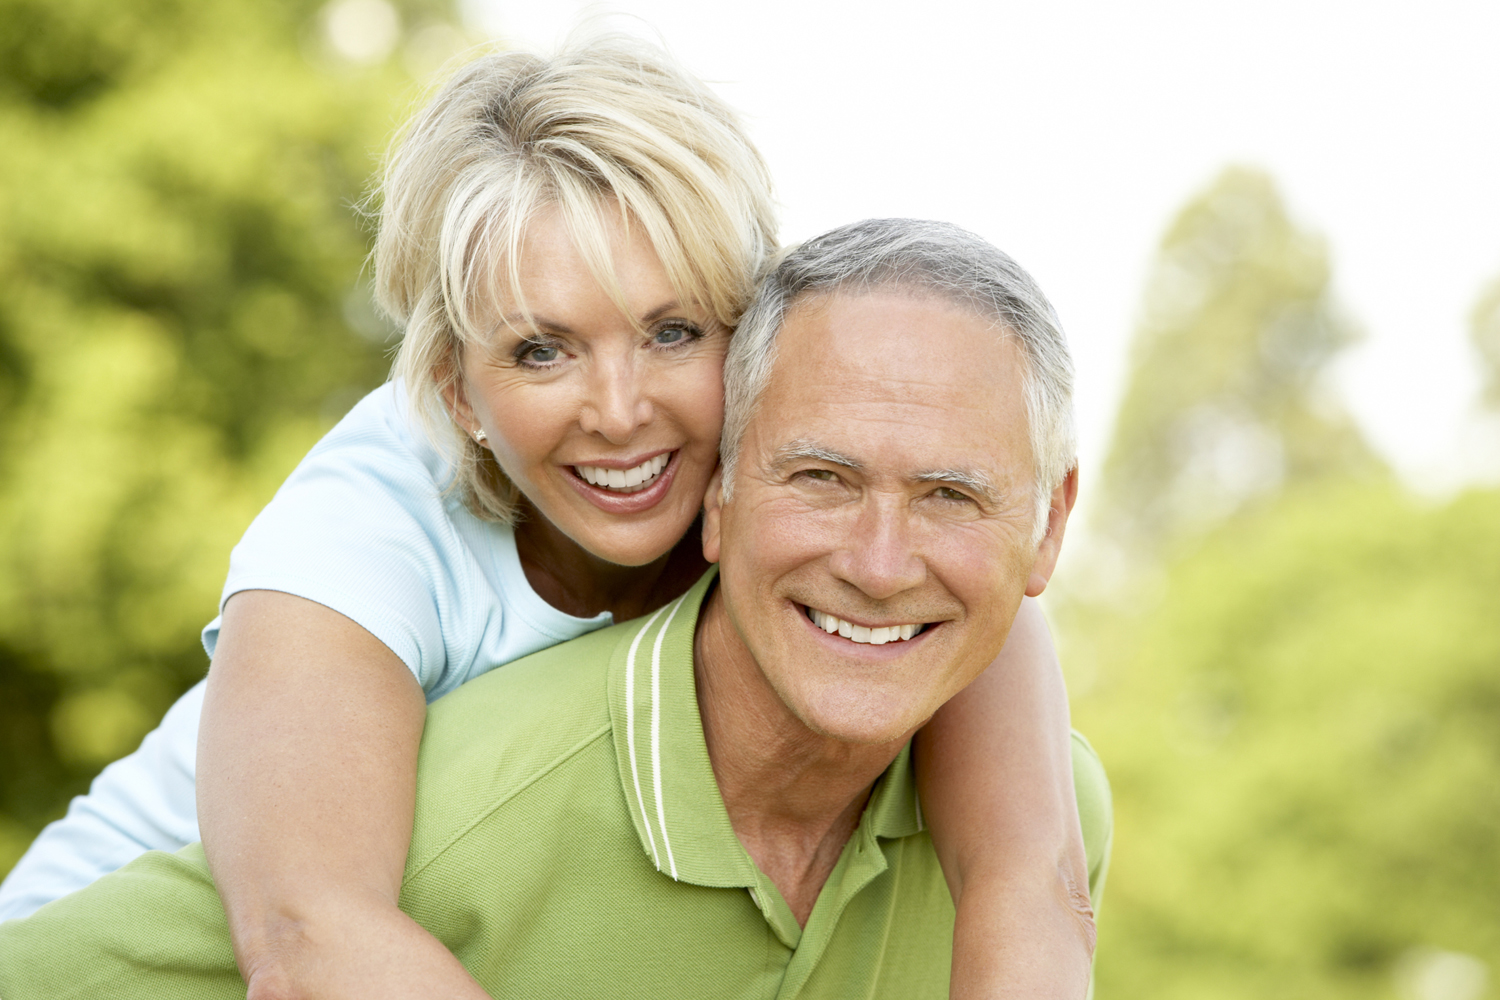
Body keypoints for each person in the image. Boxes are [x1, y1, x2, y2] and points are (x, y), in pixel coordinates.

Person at [0, 40, 1094, 999]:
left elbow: (1028, 864)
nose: (620, 413)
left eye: (674, 333)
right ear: (455, 386)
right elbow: (306, 941)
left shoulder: (821, 514)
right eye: (540, 349)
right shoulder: (360, 534)